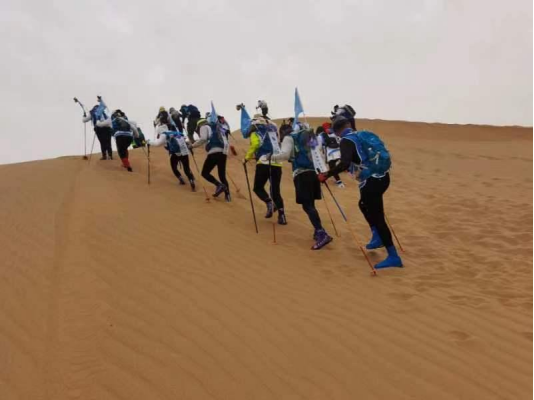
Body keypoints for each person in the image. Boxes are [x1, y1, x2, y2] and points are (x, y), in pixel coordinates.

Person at [319, 117, 403, 270]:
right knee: (363, 204)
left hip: (372, 181)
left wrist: (327, 174)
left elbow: (344, 163)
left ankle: (393, 256)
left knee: (378, 217)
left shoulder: (346, 140)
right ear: (348, 125)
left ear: (336, 132)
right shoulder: (359, 135)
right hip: (383, 177)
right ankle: (377, 235)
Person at [264, 123, 333, 250]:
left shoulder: (289, 138)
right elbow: (318, 153)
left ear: (283, 132)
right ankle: (317, 231)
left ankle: (321, 232)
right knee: (311, 204)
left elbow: (285, 155)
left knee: (307, 206)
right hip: (314, 173)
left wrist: (270, 157)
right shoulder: (306, 137)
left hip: (301, 174)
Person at [245, 116, 287, 225]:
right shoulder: (273, 132)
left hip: (264, 162)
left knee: (258, 188)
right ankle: (282, 216)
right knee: (275, 191)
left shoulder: (256, 132)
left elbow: (255, 144)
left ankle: (268, 202)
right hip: (277, 163)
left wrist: (247, 157)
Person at [149, 111, 196, 191]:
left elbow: (157, 144)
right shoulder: (176, 132)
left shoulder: (164, 133)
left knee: (174, 167)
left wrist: (149, 142)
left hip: (175, 153)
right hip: (184, 151)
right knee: (186, 169)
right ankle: (191, 180)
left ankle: (180, 178)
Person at [192, 118, 231, 202]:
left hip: (213, 153)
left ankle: (219, 185)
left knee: (204, 173)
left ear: (199, 125)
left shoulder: (203, 127)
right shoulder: (217, 128)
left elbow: (203, 139)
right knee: (222, 175)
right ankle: (228, 196)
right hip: (223, 153)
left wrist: (192, 146)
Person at [317, 123, 345, 188]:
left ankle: (339, 182)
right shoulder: (335, 134)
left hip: (331, 155)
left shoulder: (321, 136)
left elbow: (319, 147)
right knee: (335, 168)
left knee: (332, 168)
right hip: (340, 153)